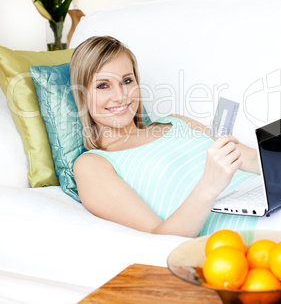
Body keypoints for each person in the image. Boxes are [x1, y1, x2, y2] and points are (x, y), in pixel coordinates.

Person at [69, 36, 266, 238]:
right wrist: (209, 185)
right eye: (103, 85)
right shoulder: (91, 164)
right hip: (251, 235)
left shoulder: (177, 121)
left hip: (273, 200)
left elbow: (251, 159)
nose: (121, 96)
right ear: (83, 94)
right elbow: (160, 237)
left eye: (127, 81)